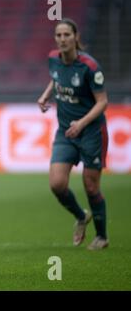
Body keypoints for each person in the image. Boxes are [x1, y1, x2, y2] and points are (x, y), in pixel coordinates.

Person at [37, 18, 109, 250]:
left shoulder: (89, 66)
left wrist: (82, 122)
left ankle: (102, 236)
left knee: (91, 186)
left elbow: (103, 102)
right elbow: (56, 78)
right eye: (58, 35)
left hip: (91, 132)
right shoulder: (53, 59)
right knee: (57, 184)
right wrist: (46, 95)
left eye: (67, 35)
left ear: (76, 37)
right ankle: (81, 215)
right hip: (65, 132)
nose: (62, 39)